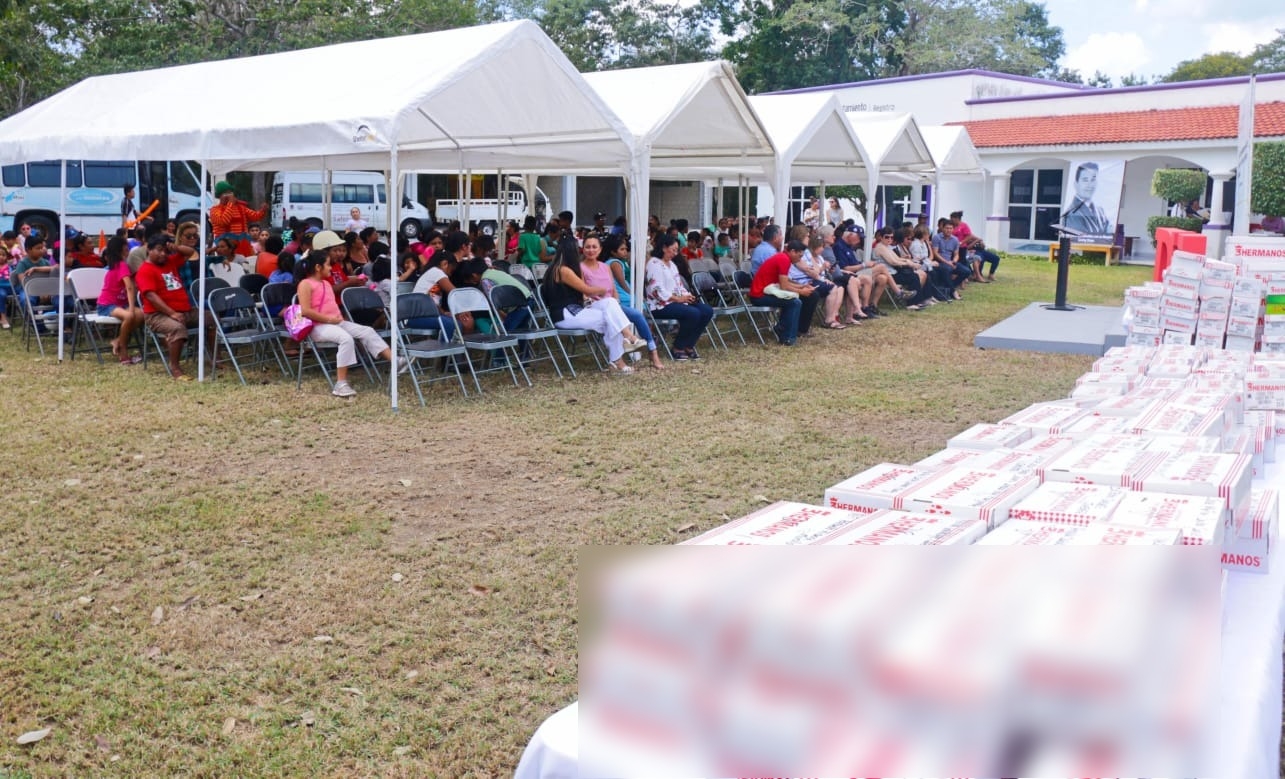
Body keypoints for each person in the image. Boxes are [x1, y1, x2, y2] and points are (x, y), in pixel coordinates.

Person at [296, 251, 406, 398]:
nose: (330, 268)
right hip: (318, 327)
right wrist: (329, 320)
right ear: (317, 267)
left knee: (366, 331)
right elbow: (305, 311)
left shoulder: (326, 284)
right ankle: (341, 383)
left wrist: (337, 320)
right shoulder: (305, 284)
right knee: (346, 338)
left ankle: (394, 360)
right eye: (328, 264)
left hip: (336, 323)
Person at [541, 236, 646, 374]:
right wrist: (602, 290)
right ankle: (621, 354)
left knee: (610, 307)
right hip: (564, 315)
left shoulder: (556, 268)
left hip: (573, 312)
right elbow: (586, 290)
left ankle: (623, 348)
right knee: (610, 317)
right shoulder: (563, 270)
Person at [581, 235, 664, 370]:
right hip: (596, 306)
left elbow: (613, 289)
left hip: (612, 304)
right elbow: (582, 291)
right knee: (619, 311)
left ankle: (652, 350)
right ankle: (628, 340)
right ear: (583, 249)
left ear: (600, 249)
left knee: (637, 315)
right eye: (588, 247)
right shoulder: (581, 267)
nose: (591, 250)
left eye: (594, 247)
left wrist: (616, 300)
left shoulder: (604, 267)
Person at [134, 233, 205, 381]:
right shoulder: (145, 270)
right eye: (159, 250)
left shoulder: (170, 262)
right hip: (157, 315)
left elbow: (190, 252)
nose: (163, 254)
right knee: (177, 328)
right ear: (149, 250)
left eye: (166, 251)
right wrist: (172, 313)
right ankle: (175, 367)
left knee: (211, 319)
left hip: (184, 310)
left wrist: (176, 247)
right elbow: (151, 296)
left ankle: (214, 358)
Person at [644, 234, 714, 361]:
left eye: (677, 250)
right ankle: (678, 347)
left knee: (707, 311)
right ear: (664, 248)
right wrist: (678, 299)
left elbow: (679, 285)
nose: (675, 253)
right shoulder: (654, 263)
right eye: (673, 249)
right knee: (693, 313)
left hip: (675, 301)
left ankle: (689, 344)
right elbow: (657, 290)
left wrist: (687, 296)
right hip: (659, 305)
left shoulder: (671, 264)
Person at [748, 239, 815, 346]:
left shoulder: (782, 257)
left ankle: (782, 328)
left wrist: (801, 286)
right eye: (799, 256)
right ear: (792, 251)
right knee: (795, 302)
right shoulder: (784, 259)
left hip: (763, 292)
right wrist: (801, 292)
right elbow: (784, 286)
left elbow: (784, 281)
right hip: (759, 295)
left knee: (792, 302)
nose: (800, 259)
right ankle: (787, 337)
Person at [96, 235, 144, 364]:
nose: (128, 249)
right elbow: (129, 287)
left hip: (120, 304)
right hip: (107, 305)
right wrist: (132, 308)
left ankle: (118, 340)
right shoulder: (121, 264)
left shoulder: (122, 265)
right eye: (126, 247)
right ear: (121, 249)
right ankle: (123, 351)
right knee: (130, 316)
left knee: (141, 315)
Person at [791, 236, 846, 328]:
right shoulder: (805, 255)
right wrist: (822, 273)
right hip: (805, 281)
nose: (823, 249)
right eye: (822, 246)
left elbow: (815, 272)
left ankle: (833, 317)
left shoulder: (818, 257)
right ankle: (829, 320)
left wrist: (825, 274)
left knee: (839, 288)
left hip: (814, 279)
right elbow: (814, 273)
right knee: (832, 288)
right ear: (815, 246)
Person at [209, 181, 268, 255]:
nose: (229, 196)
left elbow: (255, 217)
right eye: (226, 193)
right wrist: (230, 204)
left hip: (243, 245)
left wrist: (263, 210)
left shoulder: (241, 207)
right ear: (219, 196)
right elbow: (224, 221)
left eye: (230, 192)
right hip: (226, 248)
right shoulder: (214, 210)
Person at [1062, 162, 1112, 236]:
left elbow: (1110, 233)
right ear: (1076, 184)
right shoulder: (1072, 213)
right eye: (1085, 180)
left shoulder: (1100, 210)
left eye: (1092, 180)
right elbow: (1081, 239)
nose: (1089, 185)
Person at [949, 211, 998, 282]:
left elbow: (970, 235)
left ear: (957, 218)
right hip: (954, 248)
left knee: (964, 261)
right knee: (962, 262)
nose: (951, 220)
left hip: (962, 247)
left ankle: (976, 276)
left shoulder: (964, 226)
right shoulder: (952, 226)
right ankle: (970, 275)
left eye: (952, 218)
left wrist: (962, 242)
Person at [930, 220, 969, 300]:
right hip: (939, 262)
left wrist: (954, 261)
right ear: (943, 228)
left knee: (966, 271)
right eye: (947, 228)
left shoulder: (955, 240)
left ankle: (950, 288)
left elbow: (956, 254)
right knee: (947, 269)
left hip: (950, 262)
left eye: (951, 228)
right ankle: (953, 291)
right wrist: (947, 262)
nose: (949, 230)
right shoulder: (937, 238)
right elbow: (935, 254)